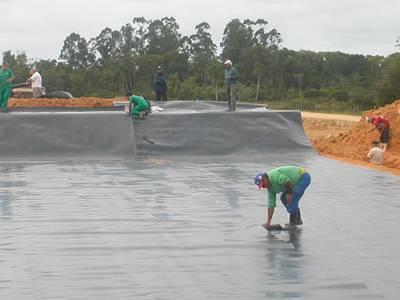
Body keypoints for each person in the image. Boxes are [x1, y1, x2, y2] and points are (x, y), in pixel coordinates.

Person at [254, 166, 311, 230]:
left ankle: (293, 223)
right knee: (283, 198)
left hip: (303, 177)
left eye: (263, 185)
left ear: (265, 179)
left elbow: (287, 181)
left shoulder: (274, 176)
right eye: (261, 186)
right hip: (293, 183)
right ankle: (297, 219)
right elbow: (271, 205)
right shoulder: (270, 189)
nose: (263, 187)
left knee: (291, 199)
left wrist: (289, 193)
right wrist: (268, 222)